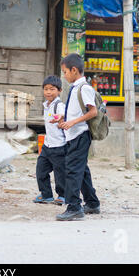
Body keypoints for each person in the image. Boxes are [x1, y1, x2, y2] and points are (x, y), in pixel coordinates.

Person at [53, 53, 101, 221]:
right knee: (82, 170)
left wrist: (73, 122)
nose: (64, 75)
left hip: (80, 134)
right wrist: (64, 119)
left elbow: (93, 111)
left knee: (72, 170)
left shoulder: (84, 88)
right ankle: (92, 203)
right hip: (74, 134)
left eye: (65, 72)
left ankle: (74, 207)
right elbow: (76, 110)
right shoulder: (75, 87)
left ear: (74, 70)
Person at [33, 75, 66, 206]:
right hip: (47, 145)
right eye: (46, 89)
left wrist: (60, 118)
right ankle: (46, 195)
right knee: (40, 170)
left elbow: (63, 114)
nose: (48, 92)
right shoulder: (46, 105)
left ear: (59, 91)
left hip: (59, 146)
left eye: (52, 89)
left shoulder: (59, 105)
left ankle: (63, 195)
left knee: (60, 174)